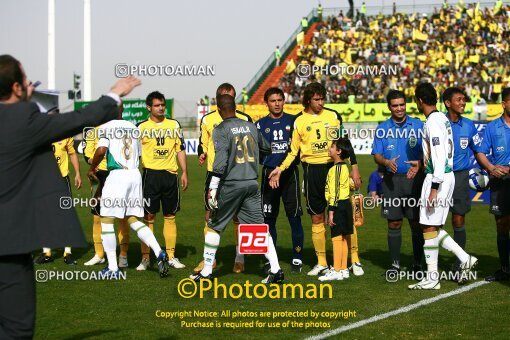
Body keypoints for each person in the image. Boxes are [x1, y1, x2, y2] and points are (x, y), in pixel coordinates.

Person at [0, 54, 140, 338]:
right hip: (9, 248)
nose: (30, 85)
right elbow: (80, 119)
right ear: (16, 88)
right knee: (16, 328)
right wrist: (114, 94)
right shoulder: (24, 118)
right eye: (26, 81)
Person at [268, 82, 363, 277]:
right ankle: (322, 262)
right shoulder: (299, 121)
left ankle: (354, 260)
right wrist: (280, 168)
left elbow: (345, 144)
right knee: (317, 217)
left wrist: (354, 167)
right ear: (308, 100)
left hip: (335, 168)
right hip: (312, 171)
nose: (321, 103)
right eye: (317, 99)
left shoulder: (333, 116)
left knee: (344, 216)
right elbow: (293, 151)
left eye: (322, 99)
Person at [190, 94, 283, 283]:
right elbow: (267, 147)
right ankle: (276, 269)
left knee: (214, 225)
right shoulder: (250, 126)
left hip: (231, 184)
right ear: (234, 107)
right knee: (259, 228)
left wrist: (213, 187)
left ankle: (207, 272)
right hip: (251, 183)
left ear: (219, 109)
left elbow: (221, 161)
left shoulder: (221, 129)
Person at [408, 82, 478, 290]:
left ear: (419, 101)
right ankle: (453, 264)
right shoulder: (441, 119)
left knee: (428, 225)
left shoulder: (433, 122)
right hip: (444, 175)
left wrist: (434, 187)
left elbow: (438, 156)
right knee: (429, 226)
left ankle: (435, 276)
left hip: (438, 176)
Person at [88, 109, 170, 279]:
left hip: (117, 175)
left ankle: (112, 267)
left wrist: (91, 168)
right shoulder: (133, 127)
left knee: (106, 219)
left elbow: (102, 150)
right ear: (122, 110)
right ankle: (159, 251)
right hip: (134, 174)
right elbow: (138, 156)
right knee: (133, 219)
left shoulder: (107, 127)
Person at [195, 83, 252, 274]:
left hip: (237, 174)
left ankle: (239, 258)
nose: (228, 98)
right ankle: (209, 261)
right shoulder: (208, 119)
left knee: (238, 217)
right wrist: (202, 153)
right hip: (215, 174)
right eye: (224, 96)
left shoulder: (245, 119)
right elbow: (203, 143)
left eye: (231, 96)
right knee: (209, 215)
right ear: (218, 98)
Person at [372, 90, 425, 275]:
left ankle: (418, 263)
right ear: (389, 107)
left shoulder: (419, 125)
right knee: (393, 223)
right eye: (395, 105)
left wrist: (420, 163)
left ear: (406, 105)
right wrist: (386, 162)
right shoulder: (382, 128)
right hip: (391, 182)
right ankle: (395, 264)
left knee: (416, 223)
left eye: (402, 104)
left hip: (414, 181)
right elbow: (376, 155)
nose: (399, 108)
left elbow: (429, 151)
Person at [137, 91, 188, 271]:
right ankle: (145, 258)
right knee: (148, 216)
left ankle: (171, 256)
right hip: (150, 176)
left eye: (162, 105)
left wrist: (184, 172)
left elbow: (180, 149)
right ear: (149, 107)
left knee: (170, 215)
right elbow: (134, 154)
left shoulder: (174, 124)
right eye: (157, 105)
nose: (161, 108)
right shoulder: (141, 127)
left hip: (170, 176)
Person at [256, 87, 304, 272]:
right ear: (266, 103)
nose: (276, 104)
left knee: (294, 218)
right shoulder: (259, 125)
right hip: (269, 177)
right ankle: (271, 258)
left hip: (289, 175)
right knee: (268, 219)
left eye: (279, 100)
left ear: (284, 101)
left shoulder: (294, 122)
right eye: (272, 100)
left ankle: (297, 257)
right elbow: (257, 152)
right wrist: (269, 166)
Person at [474, 87, 510, 281]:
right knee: (501, 225)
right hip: (499, 181)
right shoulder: (492, 127)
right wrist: (490, 167)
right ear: (504, 104)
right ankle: (505, 269)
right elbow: (480, 151)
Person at [83, 126, 130, 267]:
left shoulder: (123, 129)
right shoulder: (92, 132)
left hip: (119, 174)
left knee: (122, 216)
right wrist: (93, 163)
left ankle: (123, 254)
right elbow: (88, 154)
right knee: (97, 216)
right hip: (99, 175)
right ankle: (99, 254)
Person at [443, 87, 478, 272]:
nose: (463, 102)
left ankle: (460, 263)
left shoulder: (469, 125)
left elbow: (478, 151)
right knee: (433, 223)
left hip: (460, 177)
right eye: (459, 99)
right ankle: (430, 265)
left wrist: (490, 168)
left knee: (458, 220)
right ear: (448, 103)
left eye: (464, 99)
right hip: (440, 177)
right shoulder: (437, 123)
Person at [33, 136, 82, 265]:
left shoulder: (65, 135)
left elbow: (72, 153)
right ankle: (47, 252)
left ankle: (68, 252)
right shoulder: (39, 132)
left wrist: (77, 173)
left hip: (62, 179)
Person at [320, 138, 354, 281]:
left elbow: (335, 190)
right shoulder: (344, 167)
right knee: (344, 237)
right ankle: (343, 268)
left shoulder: (337, 168)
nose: (329, 148)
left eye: (332, 146)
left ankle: (337, 269)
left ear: (339, 151)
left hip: (339, 205)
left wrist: (331, 211)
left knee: (336, 237)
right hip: (345, 204)